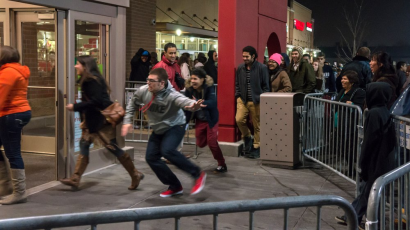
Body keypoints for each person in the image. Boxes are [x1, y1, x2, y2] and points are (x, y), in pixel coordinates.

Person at [61, 56, 144, 190]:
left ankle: (135, 174)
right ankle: (75, 179)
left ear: (85, 66)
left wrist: (75, 107)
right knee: (84, 144)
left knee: (113, 148)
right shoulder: (89, 79)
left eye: (78, 64)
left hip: (100, 122)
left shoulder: (92, 81)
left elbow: (96, 101)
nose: (76, 66)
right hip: (92, 121)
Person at [121, 68, 207, 197]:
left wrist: (193, 105)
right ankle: (175, 186)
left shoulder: (172, 95)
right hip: (159, 128)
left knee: (167, 150)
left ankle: (197, 174)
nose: (148, 83)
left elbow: (184, 101)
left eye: (151, 81)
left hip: (175, 126)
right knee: (151, 157)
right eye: (147, 80)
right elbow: (132, 104)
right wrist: (127, 121)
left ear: (161, 83)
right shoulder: (144, 91)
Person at [335, 82, 396, 230]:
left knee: (368, 191)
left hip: (375, 161)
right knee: (370, 192)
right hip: (383, 159)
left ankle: (357, 217)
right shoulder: (384, 111)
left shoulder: (373, 113)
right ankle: (361, 218)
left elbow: (369, 141)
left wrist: (362, 163)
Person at [0, 46, 31, 205]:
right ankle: (4, 187)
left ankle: (19, 193)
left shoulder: (8, 72)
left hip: (11, 114)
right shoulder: (17, 70)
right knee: (11, 151)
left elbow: (1, 97)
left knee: (13, 153)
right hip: (17, 113)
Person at [184, 68, 227, 172]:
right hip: (199, 119)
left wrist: (202, 104)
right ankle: (209, 138)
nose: (192, 81)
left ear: (202, 79)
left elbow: (213, 102)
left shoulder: (209, 87)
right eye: (191, 79)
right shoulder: (189, 89)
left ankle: (222, 163)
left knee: (212, 142)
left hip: (210, 119)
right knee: (200, 143)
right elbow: (185, 102)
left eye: (195, 79)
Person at [235, 46, 270, 159]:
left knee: (257, 125)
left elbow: (266, 86)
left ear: (253, 56)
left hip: (257, 101)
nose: (244, 58)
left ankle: (256, 147)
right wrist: (238, 96)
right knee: (239, 119)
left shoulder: (262, 68)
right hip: (243, 100)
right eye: (243, 56)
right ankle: (247, 137)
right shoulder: (240, 68)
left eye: (246, 56)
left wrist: (262, 98)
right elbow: (237, 83)